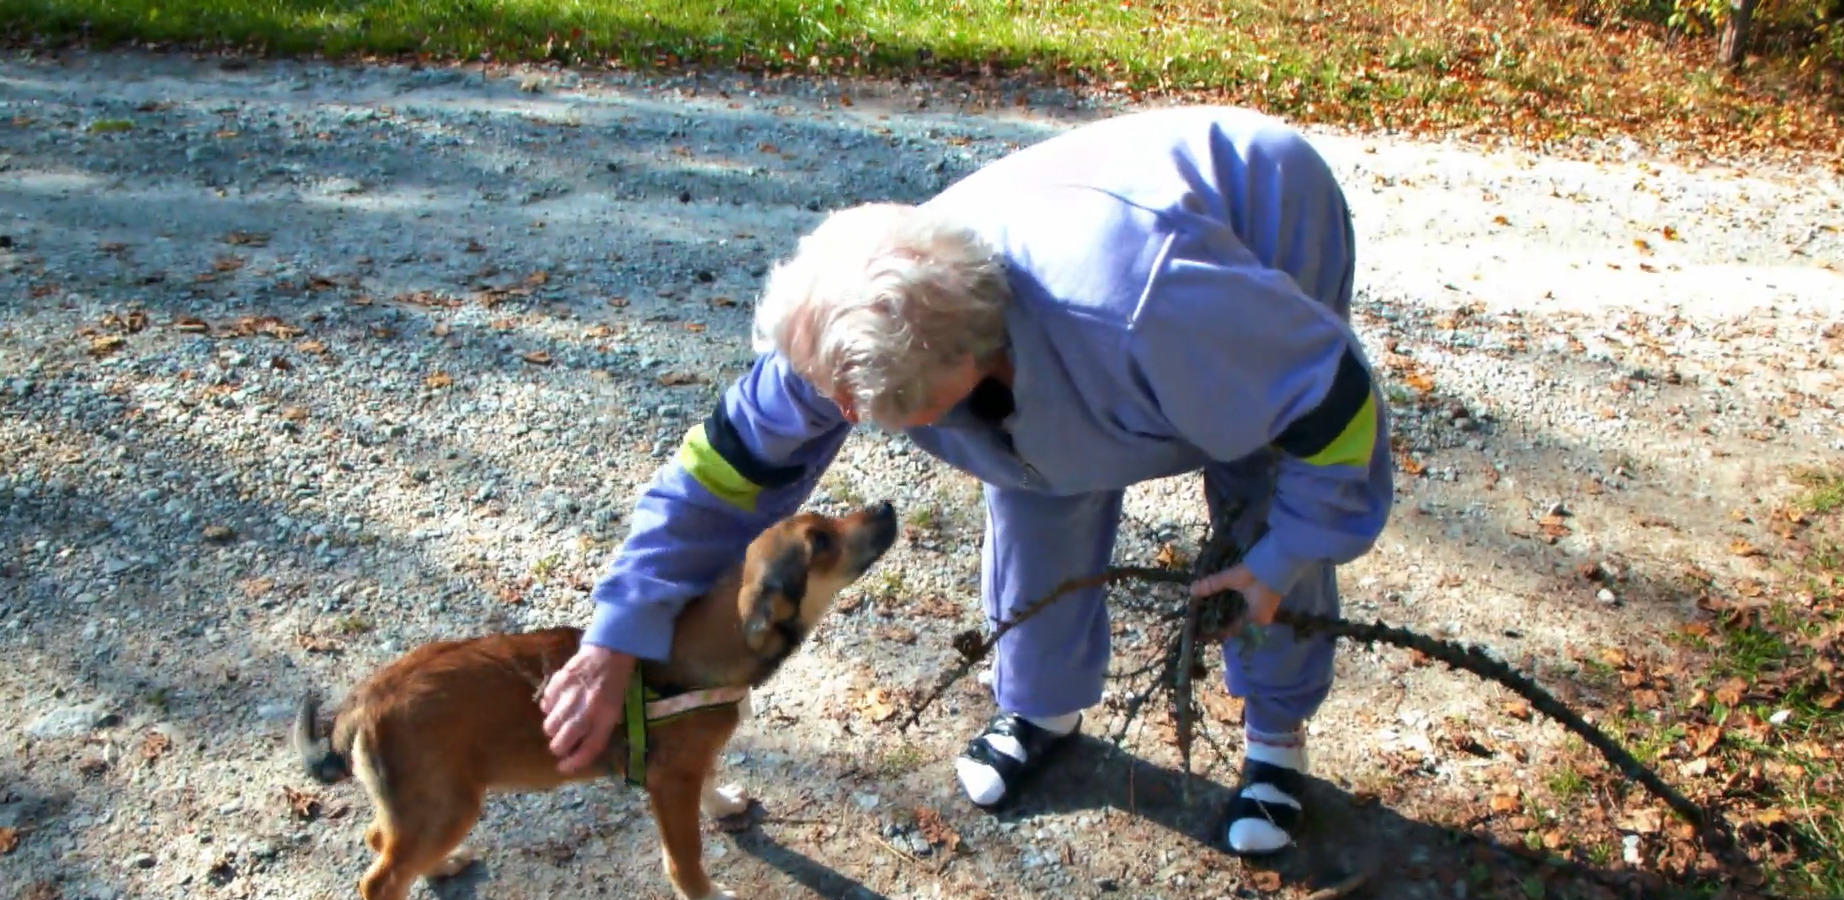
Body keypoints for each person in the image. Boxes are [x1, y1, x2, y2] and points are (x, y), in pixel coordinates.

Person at [540, 105, 1395, 856]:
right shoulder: (835, 329)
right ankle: (1042, 705)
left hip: (1254, 207)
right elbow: (717, 480)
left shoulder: (1153, 311)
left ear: (971, 359)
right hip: (1067, 290)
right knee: (1036, 488)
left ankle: (1277, 737)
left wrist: (1283, 557)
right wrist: (617, 634)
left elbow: (1333, 406)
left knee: (1260, 485)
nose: (841, 417)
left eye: (871, 407)